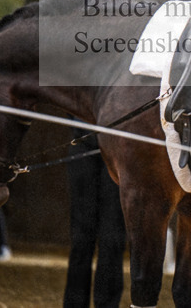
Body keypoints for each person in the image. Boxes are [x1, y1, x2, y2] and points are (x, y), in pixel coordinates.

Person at [63, 129, 127, 308]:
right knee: (81, 238)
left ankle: (107, 304)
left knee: (113, 238)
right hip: (82, 143)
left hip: (118, 148)